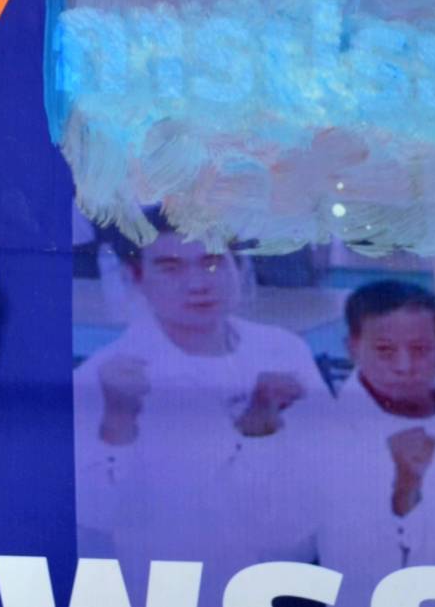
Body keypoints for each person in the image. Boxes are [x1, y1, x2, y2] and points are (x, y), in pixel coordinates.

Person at [72, 213, 330, 605]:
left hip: (287, 584)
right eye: (170, 268)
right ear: (136, 277)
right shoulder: (102, 377)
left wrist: (262, 431)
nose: (197, 284)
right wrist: (118, 420)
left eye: (212, 262)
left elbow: (328, 472)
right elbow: (94, 519)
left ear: (237, 267)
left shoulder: (282, 350)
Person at [306, 280, 435, 605]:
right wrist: (406, 485)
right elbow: (373, 570)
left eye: (420, 349)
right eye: (385, 350)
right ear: (352, 348)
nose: (404, 366)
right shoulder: (326, 440)